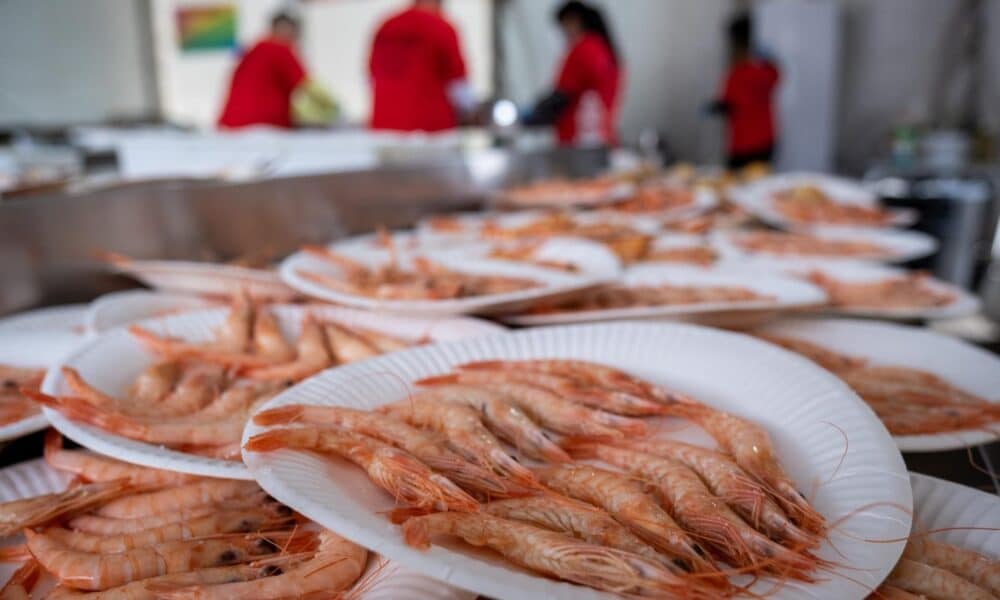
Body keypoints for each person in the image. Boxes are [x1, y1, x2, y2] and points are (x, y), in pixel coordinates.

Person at [523, 1, 622, 146]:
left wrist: (531, 117)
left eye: (563, 27)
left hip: (577, 139)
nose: (564, 33)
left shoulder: (583, 49)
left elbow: (562, 95)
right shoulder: (605, 50)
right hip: (602, 136)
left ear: (574, 21)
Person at [368, 0, 476, 132]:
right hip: (431, 133)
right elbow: (459, 86)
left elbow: (370, 79)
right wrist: (472, 113)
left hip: (383, 129)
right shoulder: (441, 26)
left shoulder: (386, 25)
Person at [219, 13, 336, 129]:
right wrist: (336, 110)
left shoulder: (254, 48)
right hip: (263, 125)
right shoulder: (280, 48)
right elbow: (309, 86)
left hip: (230, 125)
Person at [708, 13, 780, 168]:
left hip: (743, 143)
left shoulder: (737, 74)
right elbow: (776, 77)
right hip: (765, 139)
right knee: (759, 182)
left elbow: (728, 104)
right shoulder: (766, 70)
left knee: (740, 185)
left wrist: (717, 107)